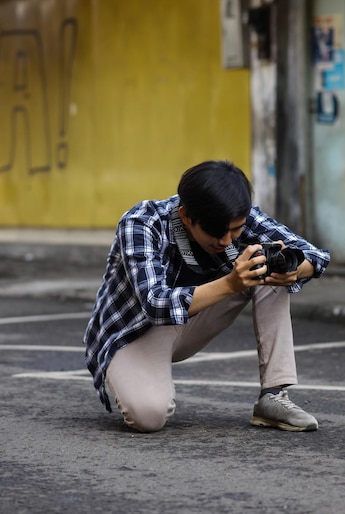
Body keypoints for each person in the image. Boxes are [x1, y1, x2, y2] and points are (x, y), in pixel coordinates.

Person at [84, 160, 330, 433]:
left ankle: (273, 396)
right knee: (149, 417)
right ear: (186, 216)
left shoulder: (241, 218)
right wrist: (231, 283)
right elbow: (155, 303)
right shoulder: (141, 222)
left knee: (271, 263)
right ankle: (134, 374)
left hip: (193, 320)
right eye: (216, 232)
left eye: (235, 230)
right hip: (136, 330)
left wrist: (294, 270)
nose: (226, 240)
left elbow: (317, 256)